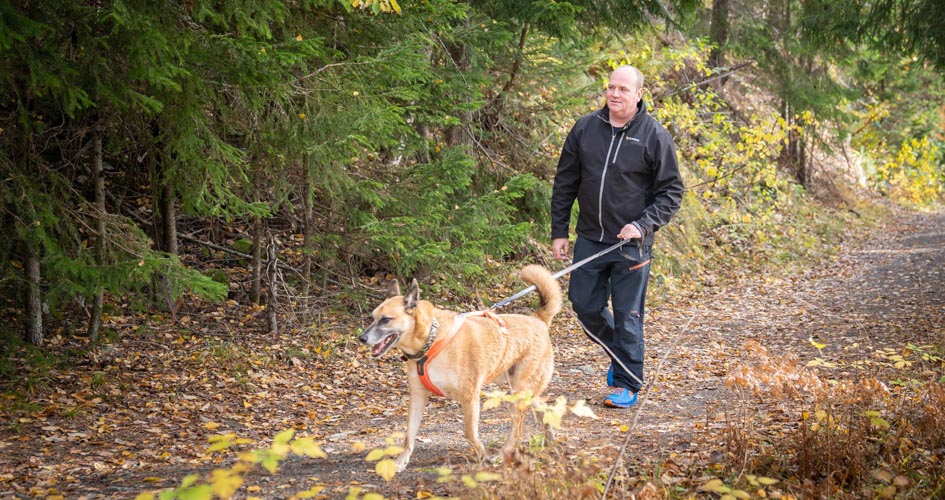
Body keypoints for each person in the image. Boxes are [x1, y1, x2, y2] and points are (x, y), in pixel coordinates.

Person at [551, 65, 683, 408]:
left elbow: (671, 192)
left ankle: (627, 383)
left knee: (628, 315)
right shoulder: (585, 129)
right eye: (611, 87)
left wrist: (642, 224)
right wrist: (559, 231)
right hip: (591, 240)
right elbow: (565, 182)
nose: (615, 94)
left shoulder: (654, 136)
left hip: (631, 246)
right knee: (584, 306)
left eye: (623, 89)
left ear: (639, 94)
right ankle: (620, 354)